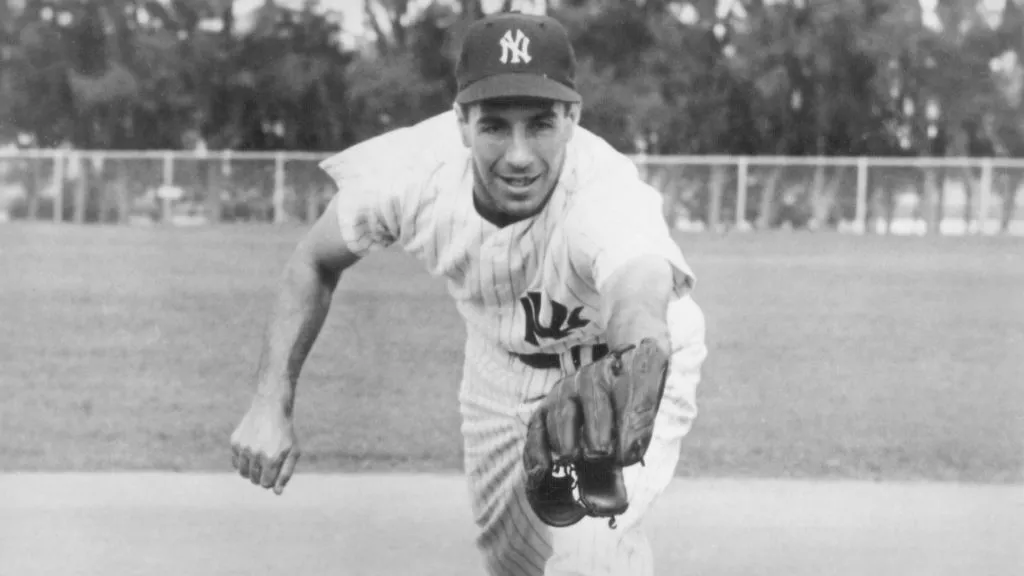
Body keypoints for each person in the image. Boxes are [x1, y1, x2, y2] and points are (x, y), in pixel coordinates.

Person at [229, 11, 708, 576]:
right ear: (460, 121)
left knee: (592, 556)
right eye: (495, 125)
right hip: (495, 371)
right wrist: (269, 402)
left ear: (573, 118)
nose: (520, 154)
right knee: (513, 564)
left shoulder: (603, 196)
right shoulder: (410, 176)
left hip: (618, 371)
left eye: (540, 123)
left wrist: (636, 360)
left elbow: (638, 289)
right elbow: (312, 262)